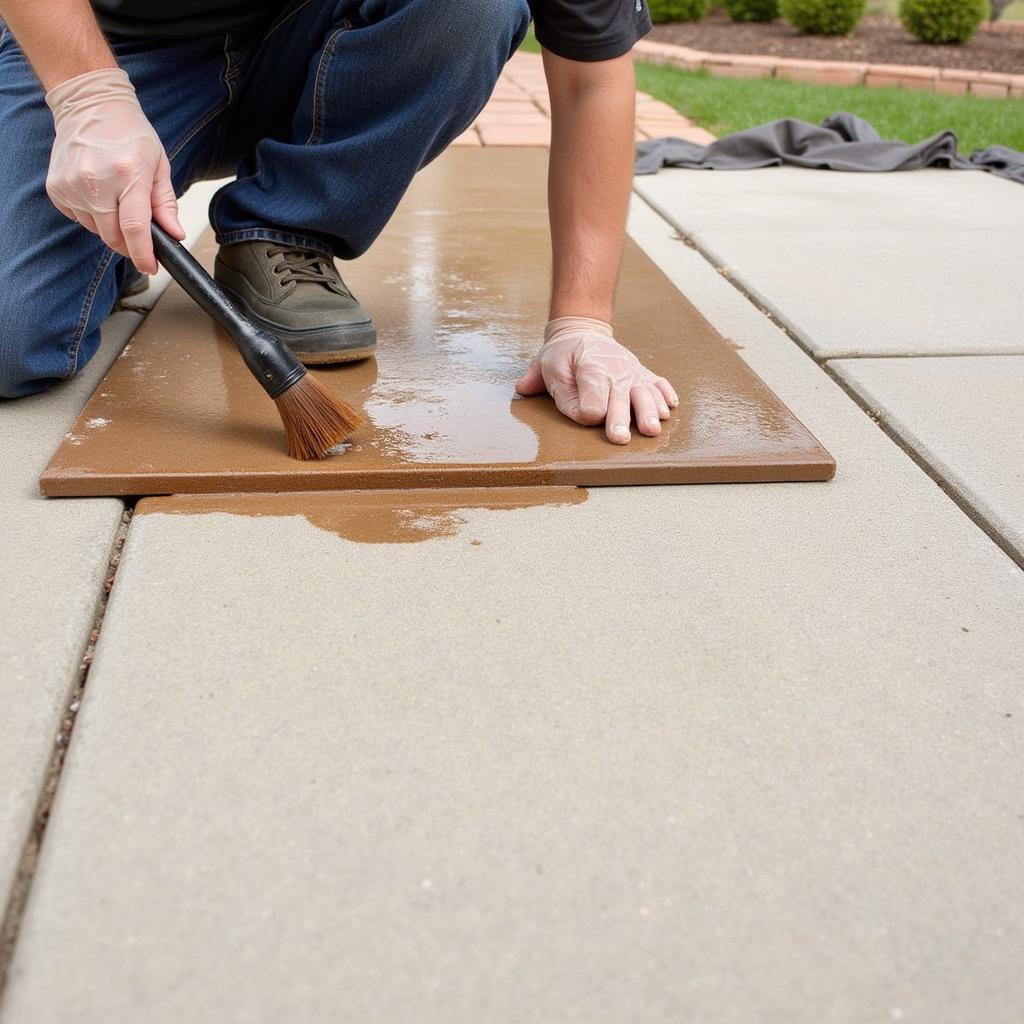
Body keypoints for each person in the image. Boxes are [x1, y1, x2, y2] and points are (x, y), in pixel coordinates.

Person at [0, 0, 678, 444]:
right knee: (10, 339)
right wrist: (86, 95)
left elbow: (594, 76)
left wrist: (582, 323)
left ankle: (282, 229)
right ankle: (108, 216)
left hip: (322, 40)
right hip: (107, 45)